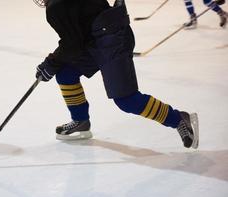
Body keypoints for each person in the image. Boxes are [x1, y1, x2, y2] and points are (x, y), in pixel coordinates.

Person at [33, 0, 199, 149]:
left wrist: (51, 63)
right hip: (98, 38)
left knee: (126, 100)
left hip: (112, 42)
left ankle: (178, 119)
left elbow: (72, 44)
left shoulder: (55, 8)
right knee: (66, 75)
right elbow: (76, 40)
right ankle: (81, 121)